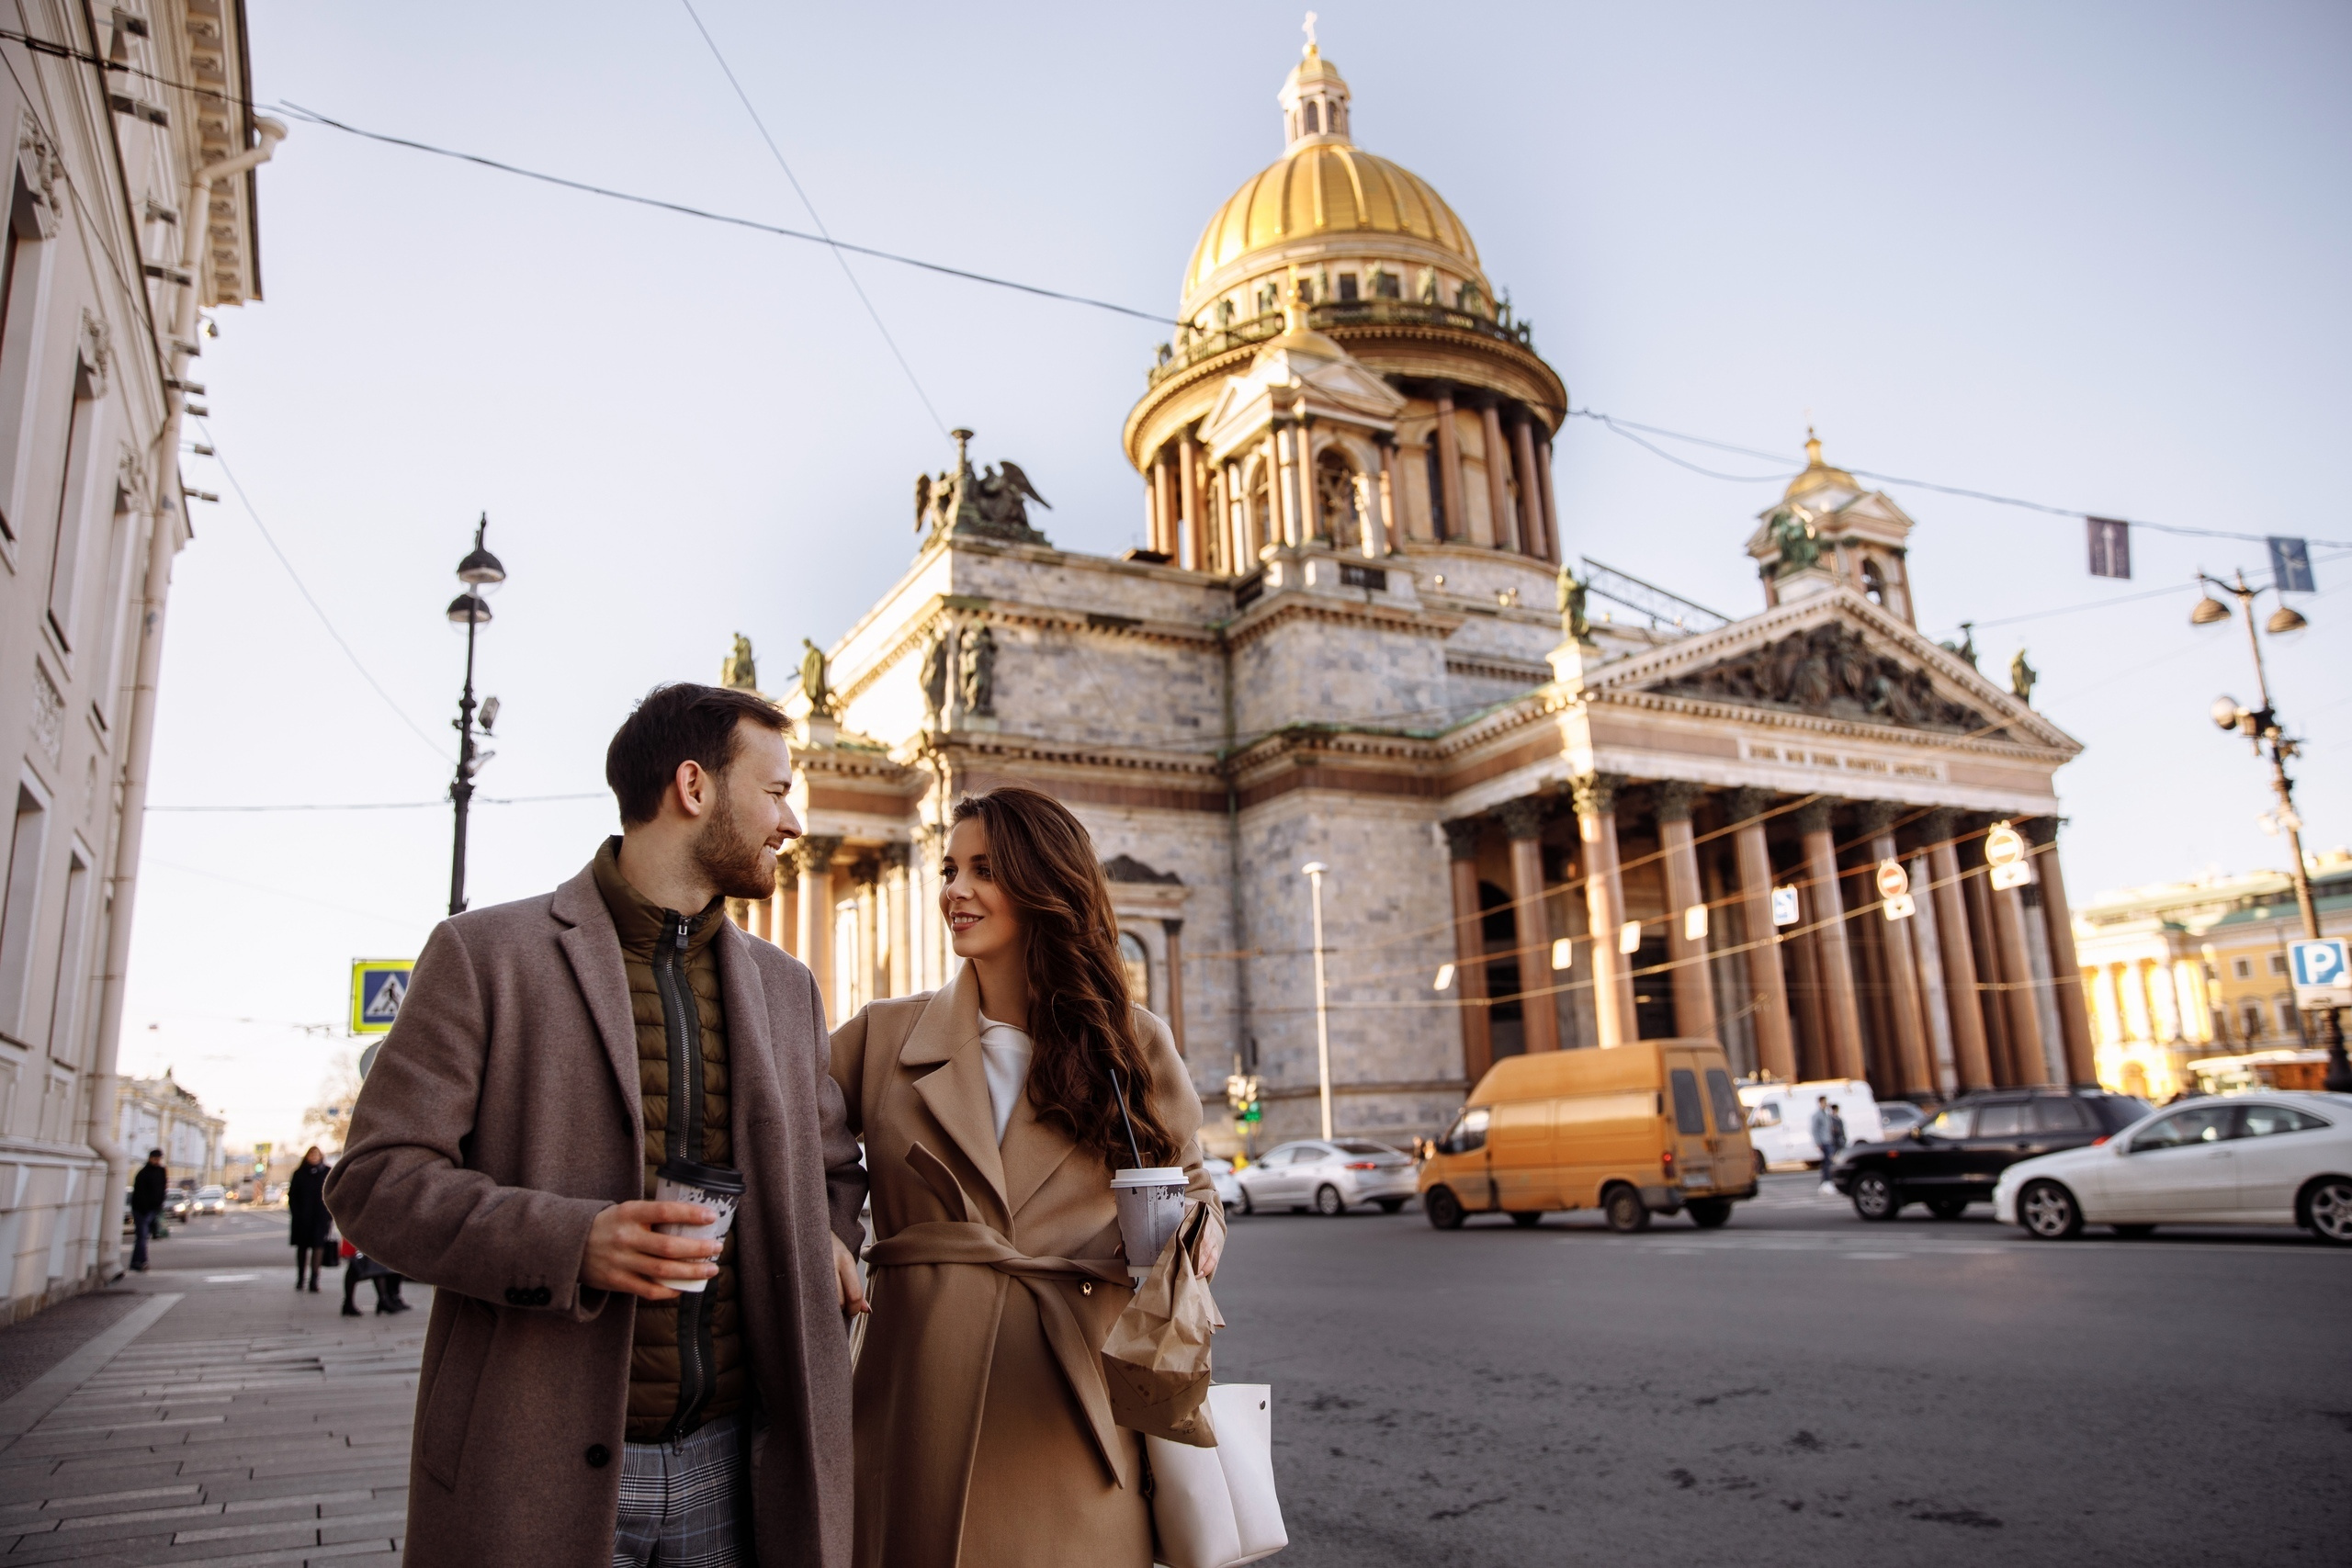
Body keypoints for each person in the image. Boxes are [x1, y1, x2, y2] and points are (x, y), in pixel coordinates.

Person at [327, 683, 868, 1568]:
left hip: (738, 1471)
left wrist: (828, 1240)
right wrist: (574, 1243)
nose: (793, 821)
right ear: (693, 787)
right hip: (534, 1466)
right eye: (774, 792)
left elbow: (835, 1172)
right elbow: (375, 1180)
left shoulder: (784, 987)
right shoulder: (485, 955)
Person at [831, 784, 1225, 1568]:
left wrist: (1198, 1231)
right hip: (916, 1397)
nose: (955, 890)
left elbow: (1191, 1180)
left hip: (1072, 1401)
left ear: (1047, 885)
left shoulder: (1132, 1042)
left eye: (984, 869)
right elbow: (791, 1151)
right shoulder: (880, 1035)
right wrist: (825, 1232)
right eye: (949, 868)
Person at [288, 1146, 334, 1292]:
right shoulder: (299, 1173)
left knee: (318, 1247)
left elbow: (333, 1193)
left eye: (317, 1154)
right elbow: (292, 1196)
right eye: (311, 1154)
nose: (314, 1157)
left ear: (321, 1156)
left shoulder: (327, 1172)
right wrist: (296, 1213)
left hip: (321, 1218)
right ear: (306, 1156)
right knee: (302, 1248)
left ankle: (314, 1280)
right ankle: (301, 1278)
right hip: (302, 1218)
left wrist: (329, 1214)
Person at [129, 1149, 167, 1272]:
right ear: (150, 1158)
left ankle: (136, 1262)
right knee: (142, 1236)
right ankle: (142, 1261)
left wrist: (159, 1206)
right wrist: (146, 1208)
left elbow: (162, 1189)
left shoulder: (161, 1171)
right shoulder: (143, 1173)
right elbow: (139, 1194)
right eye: (155, 1158)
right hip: (141, 1210)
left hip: (153, 1209)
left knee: (142, 1237)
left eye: (159, 1159)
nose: (157, 1161)